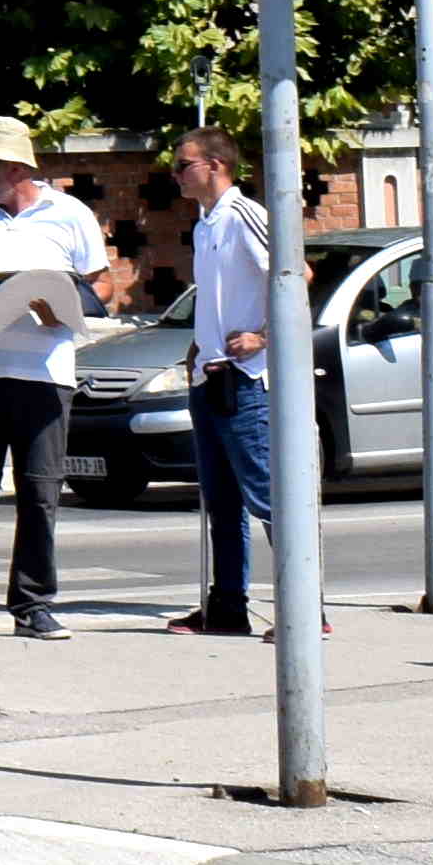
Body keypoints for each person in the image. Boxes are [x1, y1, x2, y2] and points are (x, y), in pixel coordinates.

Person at [0, 119, 108, 639]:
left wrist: (57, 302)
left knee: (40, 493)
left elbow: (99, 282)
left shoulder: (69, 214)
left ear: (16, 167)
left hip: (46, 373)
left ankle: (33, 604)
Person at [166, 126, 288, 637]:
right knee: (222, 500)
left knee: (267, 497)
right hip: (210, 376)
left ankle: (305, 608)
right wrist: (201, 342)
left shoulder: (245, 215)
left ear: (214, 165)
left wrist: (263, 336)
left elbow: (293, 275)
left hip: (246, 380)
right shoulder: (203, 225)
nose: (176, 175)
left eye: (183, 165)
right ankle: (228, 606)